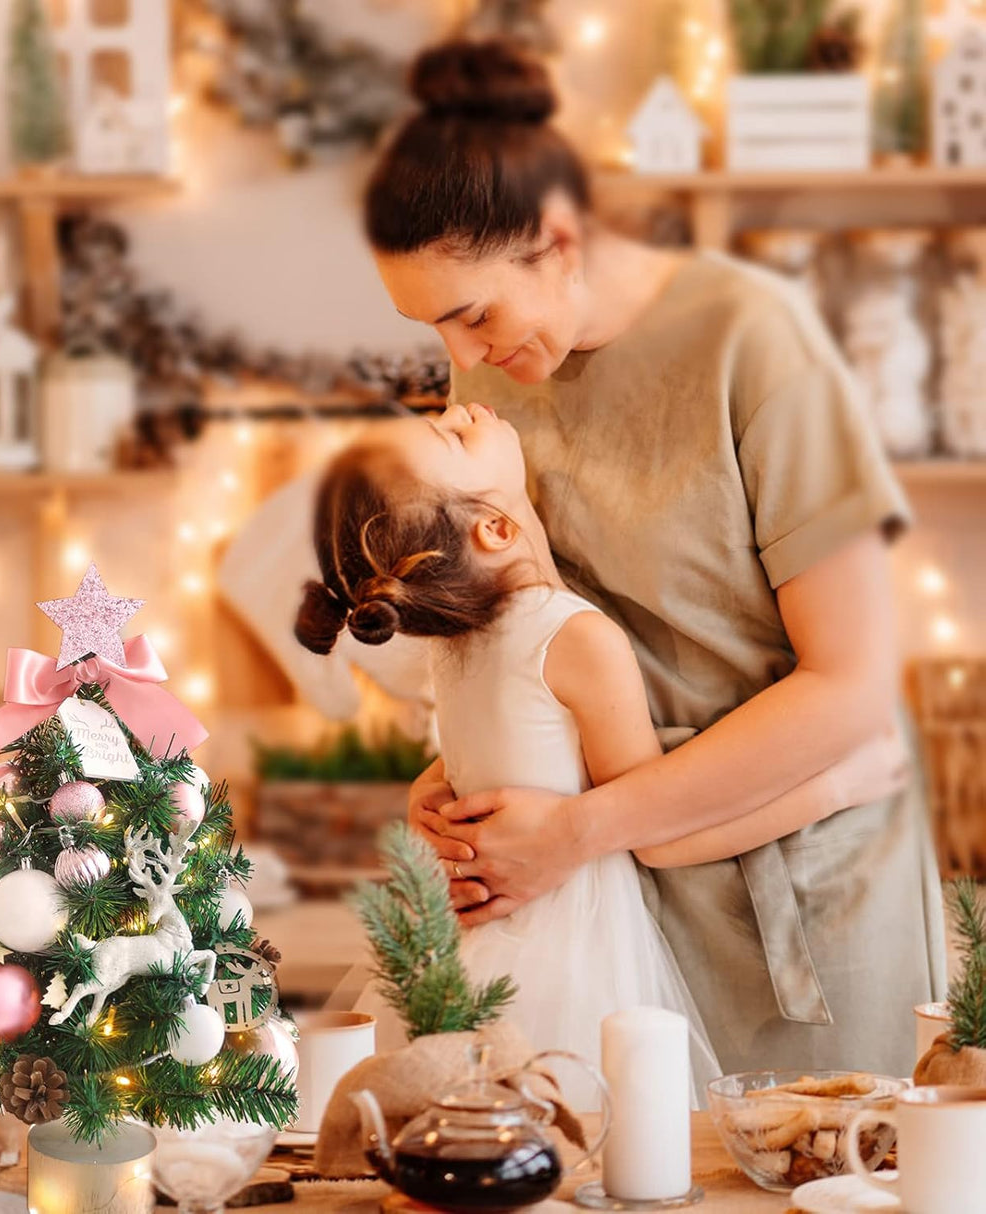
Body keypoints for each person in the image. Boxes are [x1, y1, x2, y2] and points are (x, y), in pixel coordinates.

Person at [353, 39, 944, 1079]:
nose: (460, 358)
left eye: (472, 311)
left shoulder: (751, 343)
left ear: (558, 237)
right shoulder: (497, 393)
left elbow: (849, 690)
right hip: (616, 899)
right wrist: (461, 784)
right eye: (433, 326)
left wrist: (580, 825)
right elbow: (527, 621)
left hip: (800, 886)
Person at [294, 402, 901, 1078]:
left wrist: (426, 787)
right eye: (452, 433)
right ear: (494, 529)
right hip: (572, 959)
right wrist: (838, 784)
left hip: (472, 955)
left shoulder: (456, 648)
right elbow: (663, 834)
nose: (463, 407)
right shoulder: (581, 641)